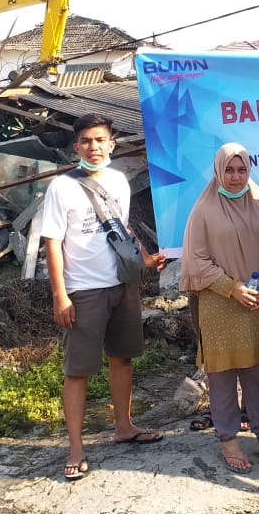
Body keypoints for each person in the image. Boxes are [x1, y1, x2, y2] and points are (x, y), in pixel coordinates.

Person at [41, 113, 168, 482]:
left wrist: (144, 258)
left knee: (122, 359)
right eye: (86, 141)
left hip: (122, 284)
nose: (93, 147)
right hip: (83, 290)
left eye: (100, 140)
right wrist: (60, 296)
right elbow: (52, 243)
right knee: (78, 371)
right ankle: (76, 447)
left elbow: (121, 229)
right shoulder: (61, 187)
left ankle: (124, 426)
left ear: (112, 143)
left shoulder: (118, 181)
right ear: (75, 146)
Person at [180, 143, 259, 474]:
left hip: (258, 303)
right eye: (229, 170)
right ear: (218, 171)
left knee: (258, 374)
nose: (235, 177)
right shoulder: (203, 210)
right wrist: (232, 288)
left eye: (241, 170)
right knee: (222, 376)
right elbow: (197, 258)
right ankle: (228, 439)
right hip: (219, 302)